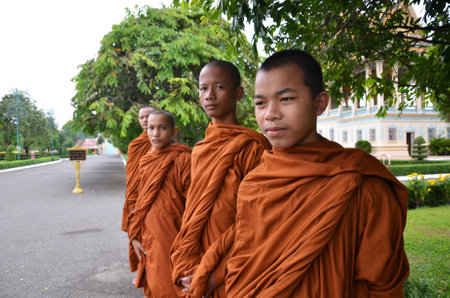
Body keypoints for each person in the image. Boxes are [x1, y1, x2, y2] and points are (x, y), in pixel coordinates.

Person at [224, 49, 410, 296]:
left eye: (286, 99)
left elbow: (383, 283)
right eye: (260, 103)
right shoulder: (255, 183)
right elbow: (243, 266)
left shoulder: (360, 183)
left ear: (319, 103)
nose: (270, 114)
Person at [170, 60, 271, 297]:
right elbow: (194, 212)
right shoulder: (201, 149)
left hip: (235, 263)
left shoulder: (252, 147)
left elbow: (256, 220)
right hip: (197, 257)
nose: (209, 96)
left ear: (238, 93)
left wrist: (211, 276)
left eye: (219, 87)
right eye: (203, 89)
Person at [128, 109, 192, 297]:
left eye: (162, 128)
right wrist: (134, 234)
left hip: (173, 232)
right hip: (148, 233)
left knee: (172, 285)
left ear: (174, 131)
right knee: (155, 285)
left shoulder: (184, 158)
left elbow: (192, 200)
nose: (155, 133)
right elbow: (141, 200)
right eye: (151, 128)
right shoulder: (146, 160)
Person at [121, 106, 154, 275]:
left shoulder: (162, 141)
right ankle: (145, 274)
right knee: (141, 239)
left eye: (148, 116)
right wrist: (132, 204)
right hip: (139, 197)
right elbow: (131, 178)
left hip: (158, 199)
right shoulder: (135, 145)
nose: (145, 120)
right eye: (142, 117)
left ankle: (155, 275)